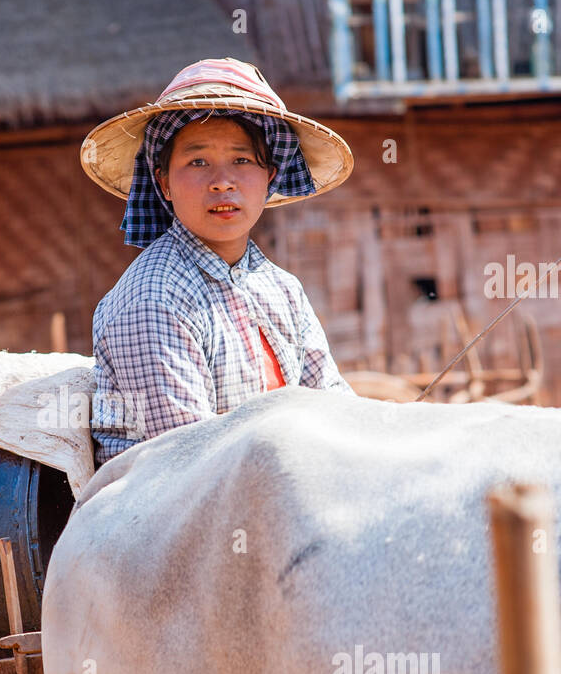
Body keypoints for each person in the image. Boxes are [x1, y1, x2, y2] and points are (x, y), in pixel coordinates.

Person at [80, 57, 357, 467]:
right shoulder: (154, 297)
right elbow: (191, 463)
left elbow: (335, 410)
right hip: (172, 515)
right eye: (197, 161)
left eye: (242, 161)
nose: (222, 181)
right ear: (164, 184)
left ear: (270, 177)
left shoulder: (281, 289)